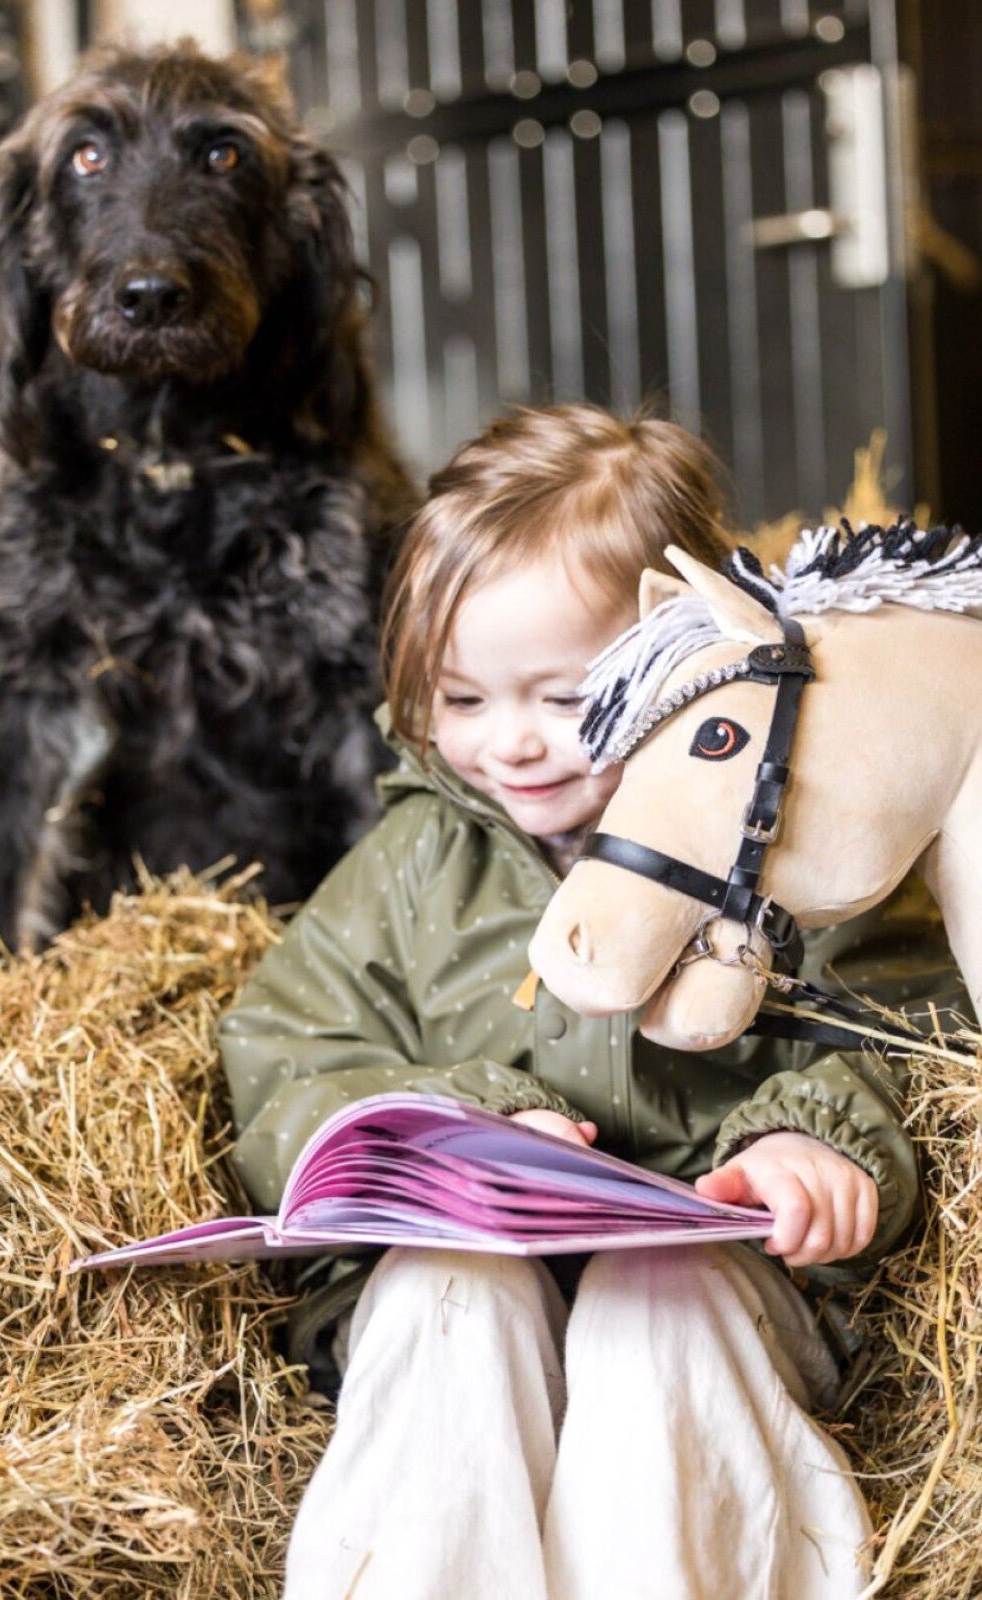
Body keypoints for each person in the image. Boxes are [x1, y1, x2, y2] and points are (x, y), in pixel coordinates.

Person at [219, 405, 929, 1600]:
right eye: (461, 700)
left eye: (566, 697)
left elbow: (900, 1015)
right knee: (449, 1299)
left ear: (689, 653)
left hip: (719, 1266)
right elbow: (288, 1057)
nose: (515, 746)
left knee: (659, 1302)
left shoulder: (786, 840)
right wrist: (457, 1122)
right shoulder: (408, 868)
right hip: (460, 1263)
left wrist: (813, 1138)